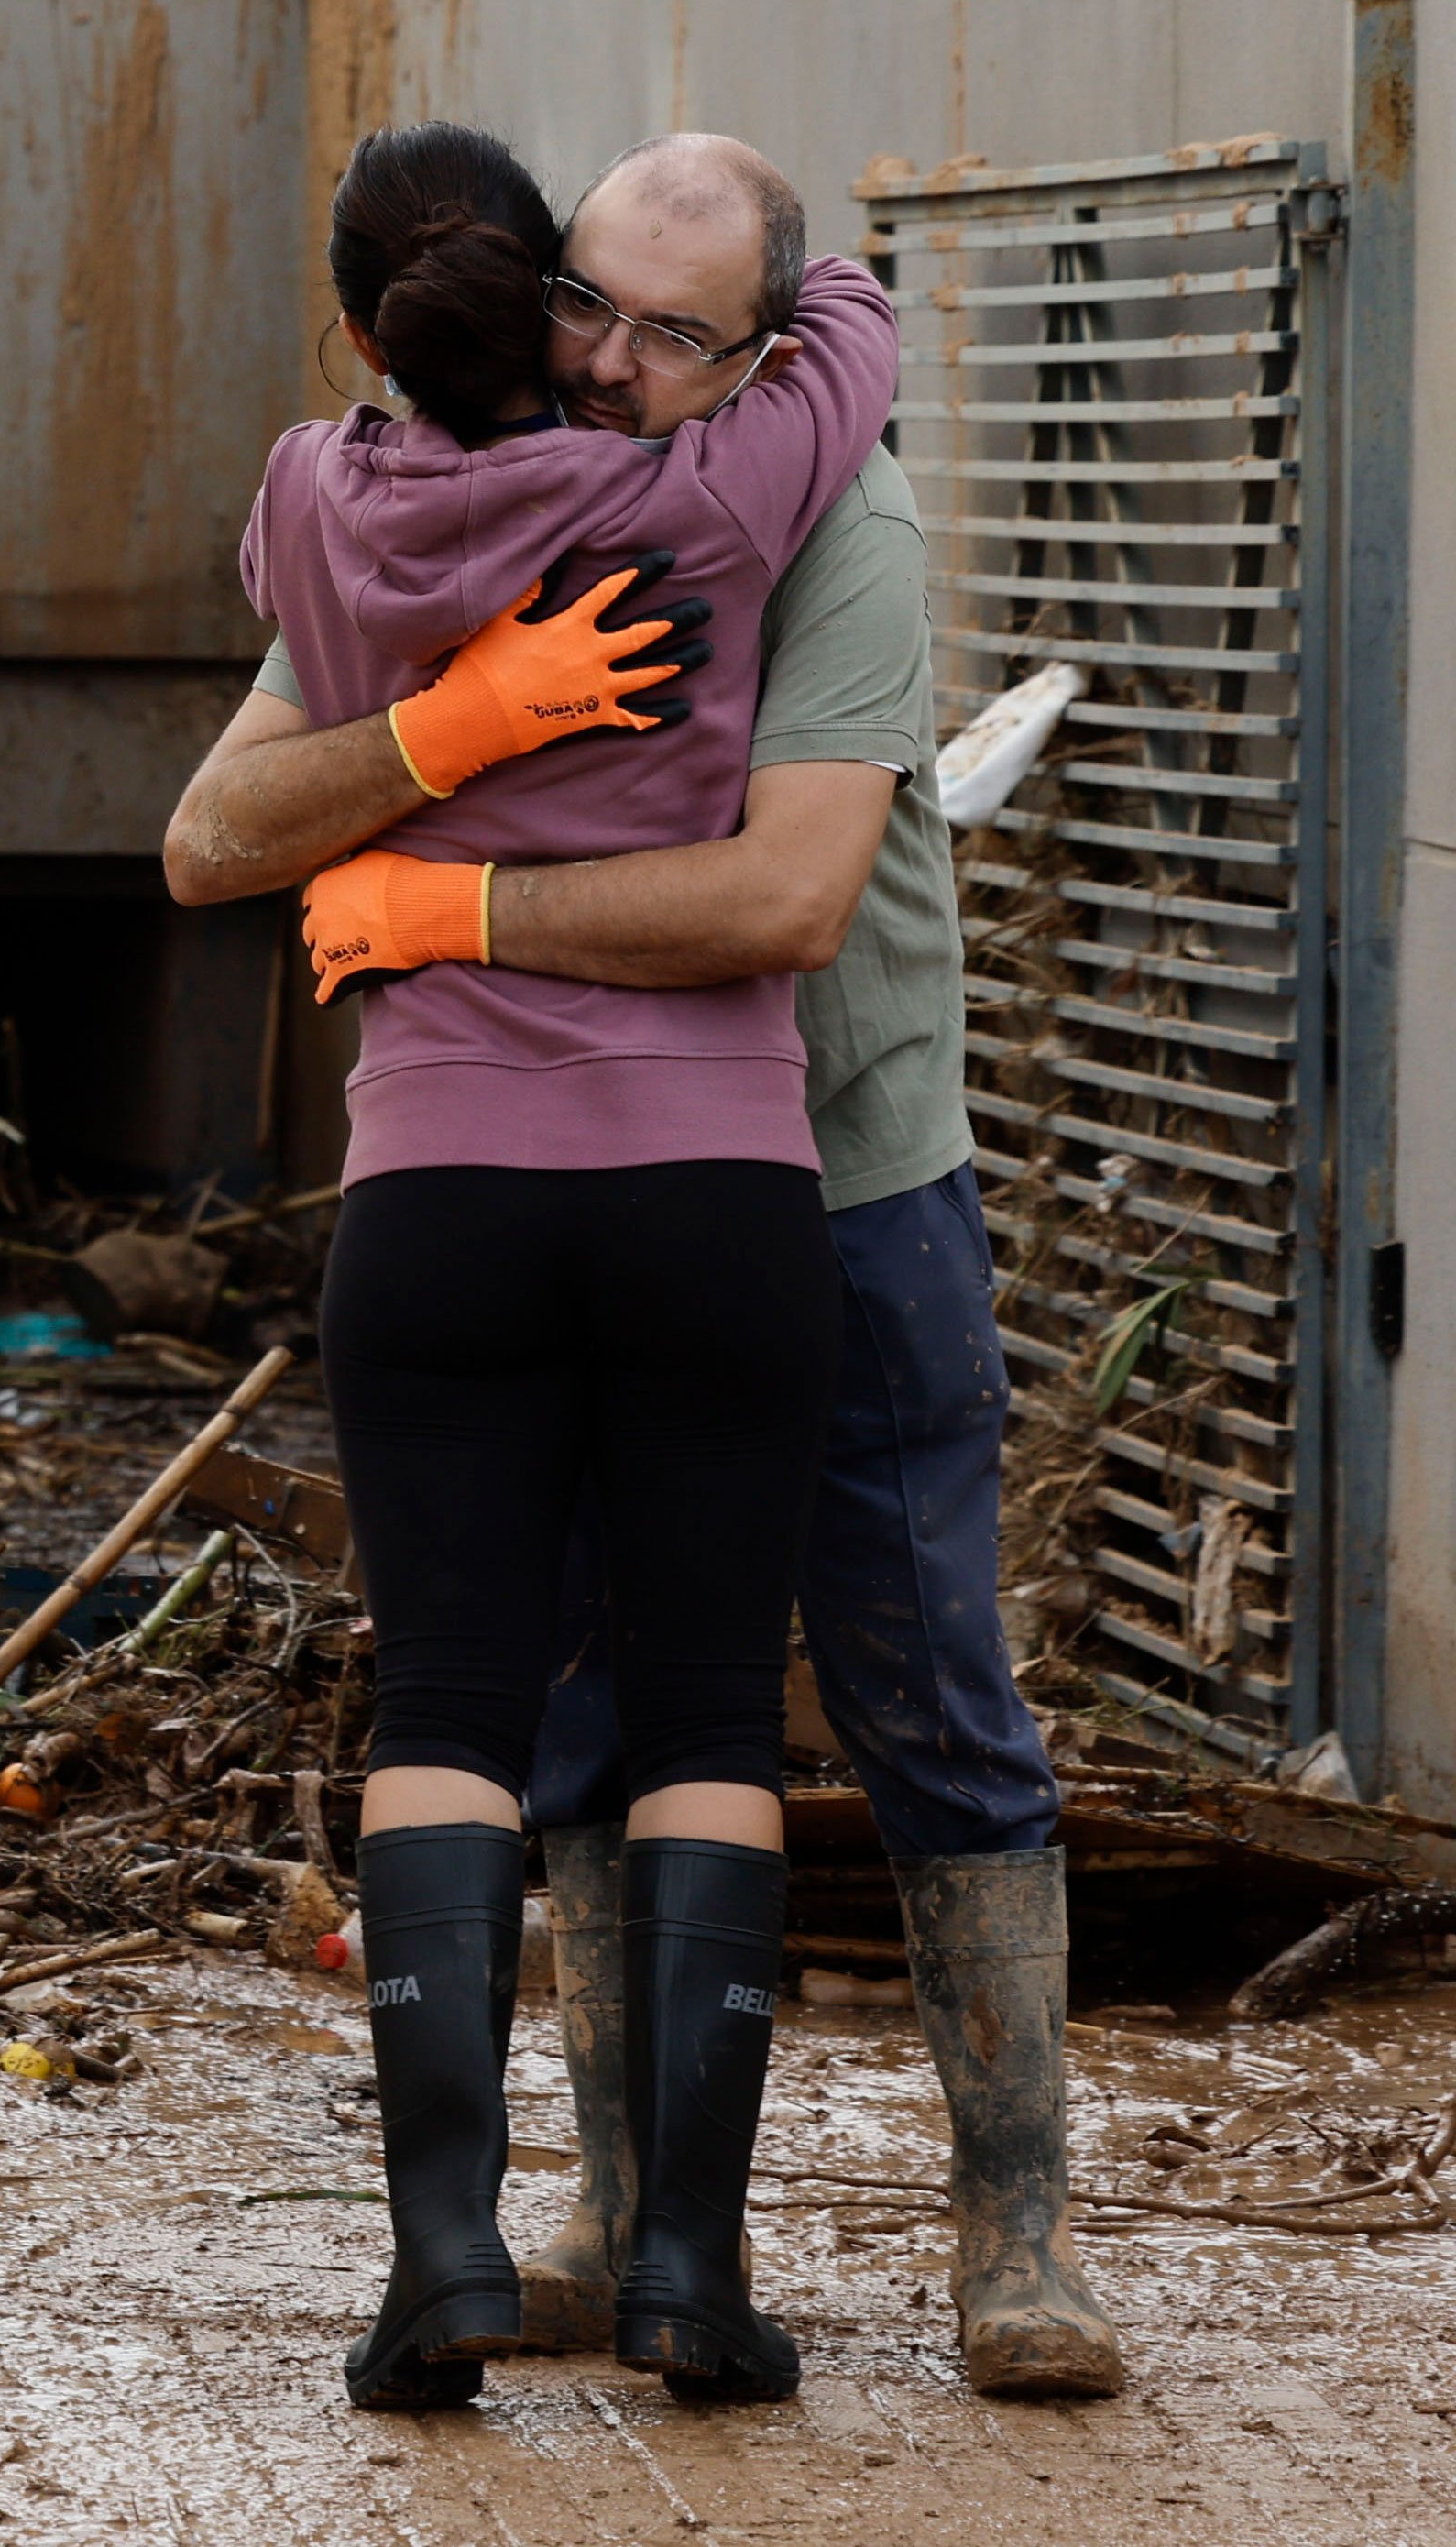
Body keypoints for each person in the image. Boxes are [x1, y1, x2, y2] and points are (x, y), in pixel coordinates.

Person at [181, 132, 1120, 2401]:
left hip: (848, 1167)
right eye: (579, 299)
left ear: (764, 349)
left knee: (922, 1692)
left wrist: (449, 897)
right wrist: (454, 722)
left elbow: (784, 899)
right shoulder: (570, 468)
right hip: (671, 1182)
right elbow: (225, 824)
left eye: (670, 330)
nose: (603, 358)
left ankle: (1018, 2235)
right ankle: (620, 2216)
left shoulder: (825, 511)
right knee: (611, 1705)